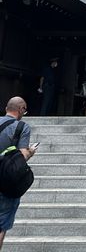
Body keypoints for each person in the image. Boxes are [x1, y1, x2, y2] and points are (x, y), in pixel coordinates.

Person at [0, 97, 37, 249]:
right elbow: (22, 156)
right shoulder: (21, 127)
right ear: (21, 109)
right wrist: (31, 152)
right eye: (25, 110)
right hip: (5, 180)